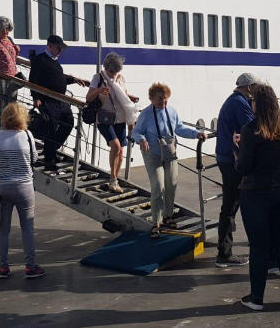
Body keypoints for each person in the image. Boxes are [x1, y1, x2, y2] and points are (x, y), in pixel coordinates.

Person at [235, 84, 280, 312]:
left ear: (257, 104)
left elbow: (244, 167)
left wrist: (238, 148)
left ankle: (257, 297)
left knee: (259, 247)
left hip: (256, 194)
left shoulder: (250, 129)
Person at [0, 103, 45, 279]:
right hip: (25, 187)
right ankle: (30, 267)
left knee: (3, 230)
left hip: (2, 189)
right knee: (28, 229)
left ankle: (3, 267)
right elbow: (34, 158)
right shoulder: (28, 136)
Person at [131, 83, 206, 237]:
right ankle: (156, 222)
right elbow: (136, 132)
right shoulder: (146, 114)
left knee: (171, 184)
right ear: (151, 98)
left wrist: (196, 133)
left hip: (170, 152)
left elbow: (179, 128)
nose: (163, 102)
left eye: (165, 99)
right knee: (158, 186)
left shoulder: (171, 111)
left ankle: (168, 216)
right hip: (153, 154)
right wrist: (142, 139)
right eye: (159, 99)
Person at [212, 72, 257, 268]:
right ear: (249, 87)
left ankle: (225, 250)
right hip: (232, 159)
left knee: (230, 204)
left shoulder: (233, 100)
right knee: (234, 204)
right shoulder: (240, 103)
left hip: (225, 157)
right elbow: (252, 127)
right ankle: (225, 253)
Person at [85, 52, 139, 193]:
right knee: (115, 146)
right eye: (111, 71)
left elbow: (124, 96)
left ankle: (115, 179)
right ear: (106, 68)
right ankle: (113, 179)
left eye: (116, 71)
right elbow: (88, 98)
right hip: (104, 118)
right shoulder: (98, 78)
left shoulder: (120, 78)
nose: (113, 74)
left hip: (120, 118)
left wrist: (130, 118)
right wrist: (99, 91)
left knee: (121, 150)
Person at [29, 35, 82, 171]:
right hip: (48, 100)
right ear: (50, 45)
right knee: (51, 128)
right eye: (58, 48)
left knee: (69, 123)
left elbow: (59, 80)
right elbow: (32, 79)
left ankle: (51, 150)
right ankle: (49, 159)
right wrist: (36, 98)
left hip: (61, 100)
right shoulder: (40, 60)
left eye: (61, 48)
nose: (60, 51)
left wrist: (74, 80)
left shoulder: (55, 62)